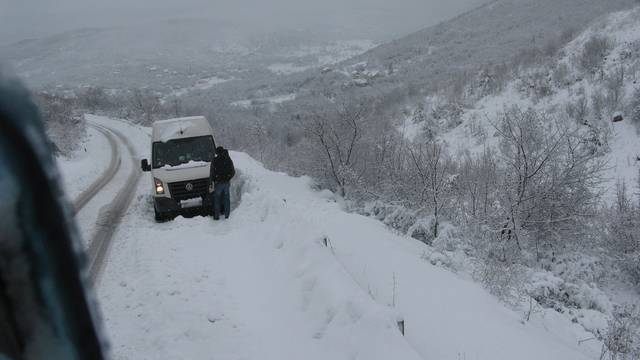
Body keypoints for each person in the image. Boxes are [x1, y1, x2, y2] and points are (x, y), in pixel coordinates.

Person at [210, 146, 235, 220]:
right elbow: (233, 171)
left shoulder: (215, 160)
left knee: (217, 199)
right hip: (226, 182)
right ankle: (227, 215)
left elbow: (212, 172)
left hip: (218, 183)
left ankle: (216, 215)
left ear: (217, 152)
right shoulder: (228, 159)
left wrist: (212, 180)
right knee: (226, 199)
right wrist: (228, 177)